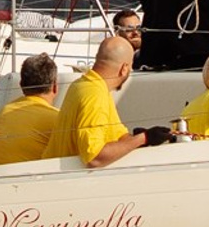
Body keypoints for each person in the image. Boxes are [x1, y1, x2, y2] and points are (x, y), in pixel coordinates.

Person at [49, 33, 154, 168]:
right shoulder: (95, 95)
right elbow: (94, 157)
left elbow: (119, 136)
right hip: (68, 181)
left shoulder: (83, 84)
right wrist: (143, 138)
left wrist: (143, 137)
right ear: (124, 69)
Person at [0, 54, 62, 166]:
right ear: (55, 87)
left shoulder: (6, 110)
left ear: (21, 85)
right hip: (22, 180)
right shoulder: (56, 119)